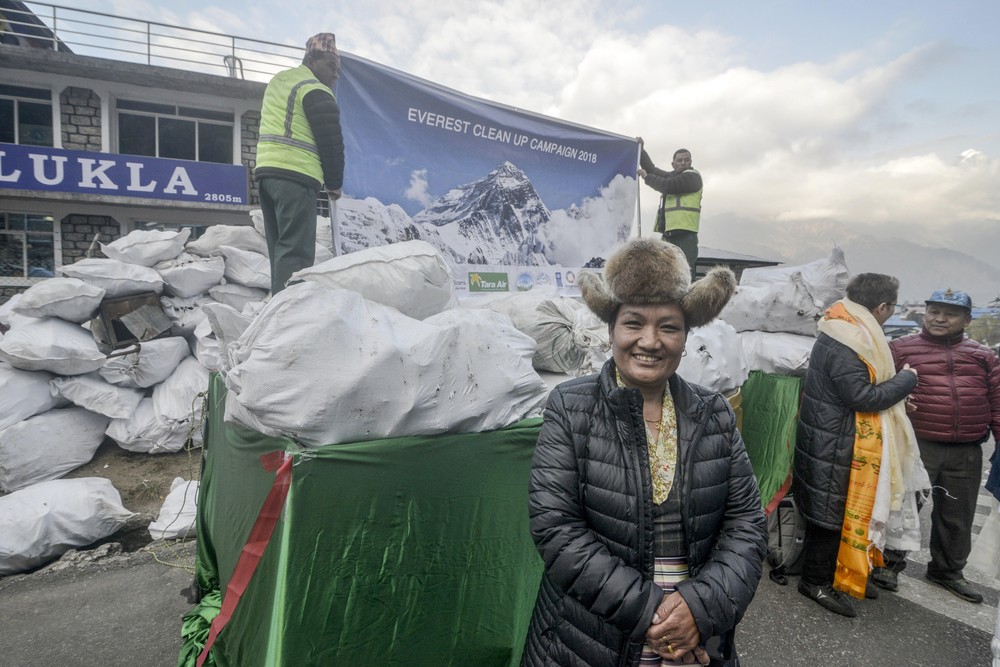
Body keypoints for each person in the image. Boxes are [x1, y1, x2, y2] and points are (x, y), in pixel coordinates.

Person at [520, 238, 767, 666]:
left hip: (694, 639)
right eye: (633, 323)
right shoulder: (570, 406)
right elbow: (555, 526)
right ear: (612, 329)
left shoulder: (714, 414)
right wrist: (652, 612)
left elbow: (745, 523)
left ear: (686, 336)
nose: (649, 341)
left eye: (668, 327)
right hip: (589, 637)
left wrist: (698, 610)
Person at [794, 273, 925, 617]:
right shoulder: (848, 338)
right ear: (882, 307)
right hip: (834, 440)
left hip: (833, 434)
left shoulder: (843, 326)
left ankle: (838, 575)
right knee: (829, 517)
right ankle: (814, 582)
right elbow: (862, 396)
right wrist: (906, 380)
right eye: (892, 307)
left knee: (834, 513)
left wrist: (896, 395)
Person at [872, 289, 1000, 603]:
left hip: (966, 450)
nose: (940, 319)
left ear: (967, 319)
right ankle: (888, 564)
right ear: (925, 313)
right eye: (934, 311)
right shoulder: (900, 348)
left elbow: (997, 403)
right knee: (904, 507)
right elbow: (878, 385)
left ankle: (947, 571)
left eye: (950, 313)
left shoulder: (984, 357)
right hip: (917, 445)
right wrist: (900, 397)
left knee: (958, 515)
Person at [255, 32, 345, 294]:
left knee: (280, 251)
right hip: (295, 177)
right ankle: (289, 320)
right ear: (312, 59)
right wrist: (334, 184)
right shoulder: (315, 89)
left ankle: (278, 308)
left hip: (266, 176)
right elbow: (331, 141)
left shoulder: (279, 81)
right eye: (331, 66)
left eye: (338, 70)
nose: (335, 75)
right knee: (296, 253)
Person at [637, 140, 702, 279]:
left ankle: (687, 301)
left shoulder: (693, 176)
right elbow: (652, 169)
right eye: (679, 160)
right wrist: (641, 151)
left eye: (686, 160)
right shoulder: (673, 175)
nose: (683, 163)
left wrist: (647, 178)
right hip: (669, 235)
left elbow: (668, 185)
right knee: (665, 273)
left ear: (691, 162)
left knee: (685, 273)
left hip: (685, 236)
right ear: (673, 164)